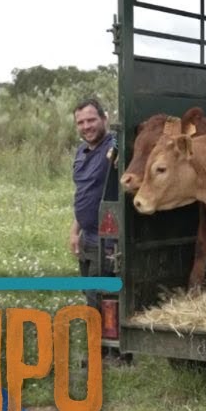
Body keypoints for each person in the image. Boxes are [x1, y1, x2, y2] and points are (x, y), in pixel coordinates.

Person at [70, 97, 127, 364]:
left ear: (104, 119)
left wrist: (117, 150)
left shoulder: (113, 146)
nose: (86, 126)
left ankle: (114, 352)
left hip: (108, 235)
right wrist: (74, 231)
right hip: (87, 235)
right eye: (81, 122)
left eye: (91, 120)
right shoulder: (81, 152)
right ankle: (102, 349)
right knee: (90, 295)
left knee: (105, 294)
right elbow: (82, 195)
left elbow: (121, 146)